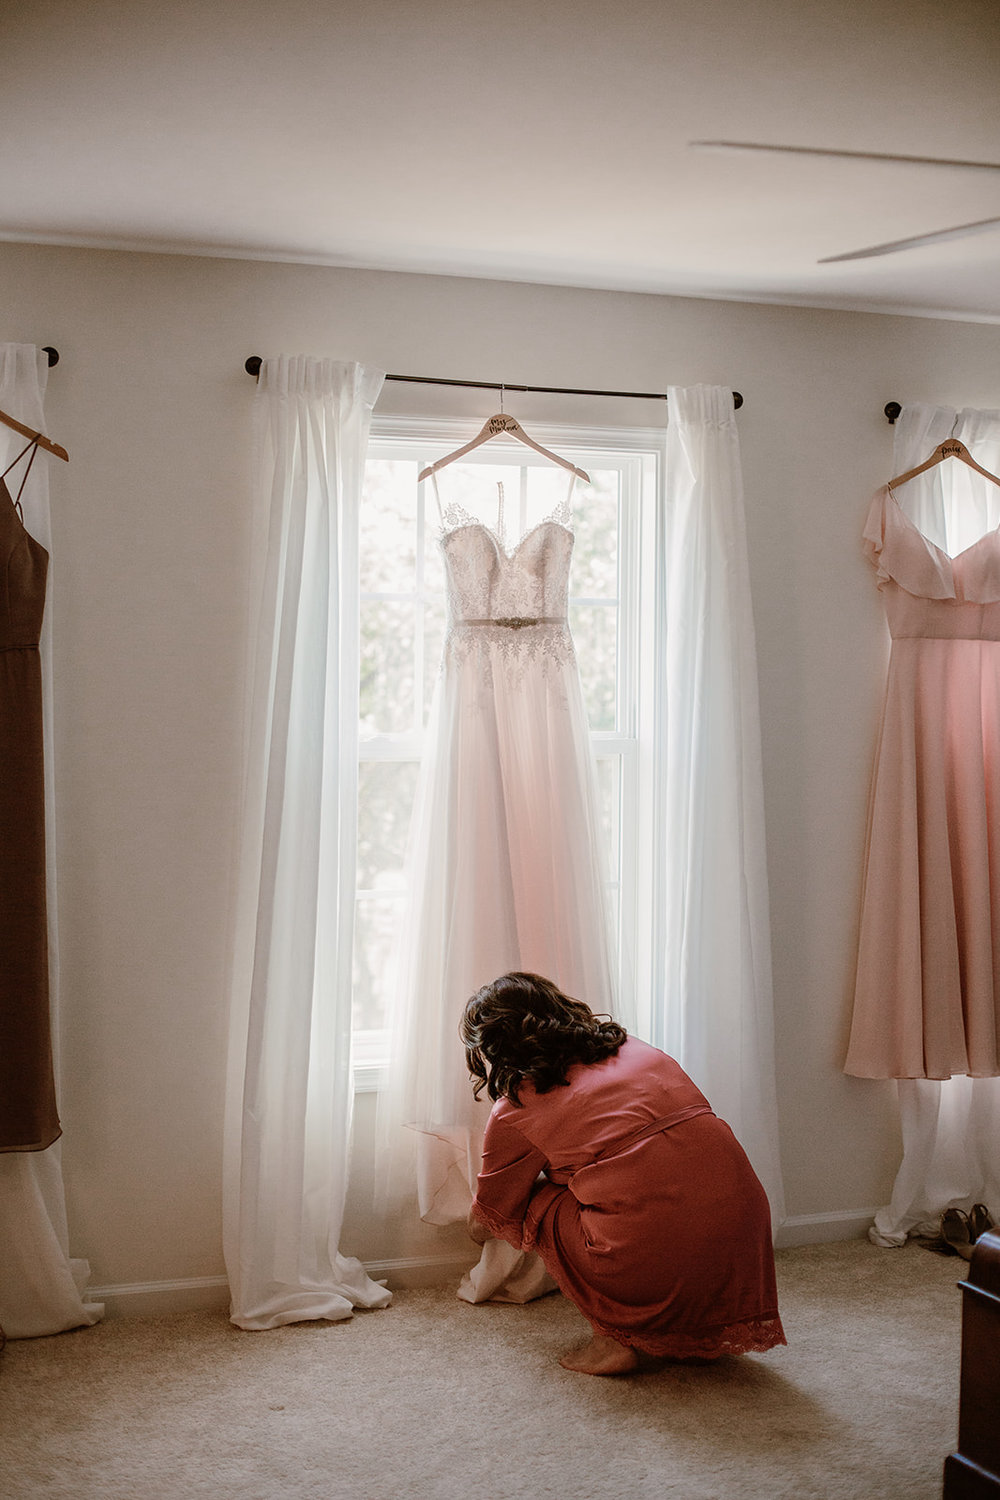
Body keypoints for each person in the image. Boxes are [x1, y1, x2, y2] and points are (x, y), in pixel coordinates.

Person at [460, 973, 786, 1375]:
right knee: (620, 1181)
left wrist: (473, 1231)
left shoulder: (516, 1108)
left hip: (652, 1251)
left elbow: (493, 1214)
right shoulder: (637, 1051)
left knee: (542, 1200)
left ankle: (611, 1340)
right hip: (746, 1236)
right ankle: (691, 1319)